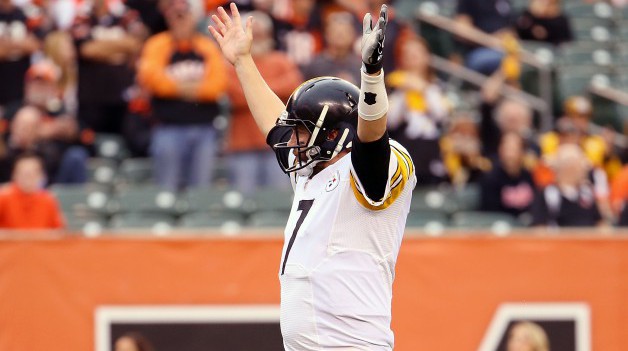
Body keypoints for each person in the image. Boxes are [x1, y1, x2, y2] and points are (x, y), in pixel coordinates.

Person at [209, 3, 416, 350]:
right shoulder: (313, 167)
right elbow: (275, 125)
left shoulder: (371, 167)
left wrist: (371, 75)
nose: (293, 140)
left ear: (335, 135)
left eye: (303, 131)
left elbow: (372, 141)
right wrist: (243, 61)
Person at [138, 0, 227, 191]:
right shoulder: (157, 44)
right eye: (175, 15)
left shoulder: (206, 46)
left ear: (193, 17)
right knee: (166, 190)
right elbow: (152, 81)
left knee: (200, 191)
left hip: (204, 129)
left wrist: (176, 87)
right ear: (168, 18)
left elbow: (217, 86)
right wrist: (193, 88)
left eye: (184, 15)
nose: (180, 20)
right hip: (168, 128)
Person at [225, 10, 302, 195]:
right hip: (243, 145)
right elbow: (233, 95)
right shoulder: (232, 62)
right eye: (253, 34)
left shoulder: (281, 61)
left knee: (280, 201)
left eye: (261, 34)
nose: (257, 38)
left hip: (280, 144)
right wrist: (272, 89)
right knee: (243, 201)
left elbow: (296, 89)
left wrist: (252, 86)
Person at [386, 37, 450, 184]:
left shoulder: (437, 85)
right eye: (408, 54)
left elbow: (442, 115)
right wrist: (403, 91)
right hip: (405, 145)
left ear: (426, 56)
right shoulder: (395, 84)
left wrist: (423, 89)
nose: (412, 58)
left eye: (417, 53)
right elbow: (391, 121)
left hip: (432, 146)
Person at [530, 144, 605, 227]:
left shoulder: (587, 193)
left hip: (587, 238)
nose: (584, 170)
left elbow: (600, 223)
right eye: (580, 166)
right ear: (569, 169)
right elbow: (539, 228)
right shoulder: (548, 194)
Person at [0, 152, 65, 229]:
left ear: (42, 176)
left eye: (33, 173)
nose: (28, 177)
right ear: (14, 175)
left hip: (41, 241)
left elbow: (59, 231)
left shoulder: (48, 200)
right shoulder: (3, 197)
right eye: (23, 173)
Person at [480, 132, 536, 219]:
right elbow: (490, 214)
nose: (510, 155)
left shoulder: (530, 176)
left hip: (526, 227)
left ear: (523, 152)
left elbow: (536, 207)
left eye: (514, 149)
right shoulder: (490, 178)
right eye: (507, 149)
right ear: (500, 150)